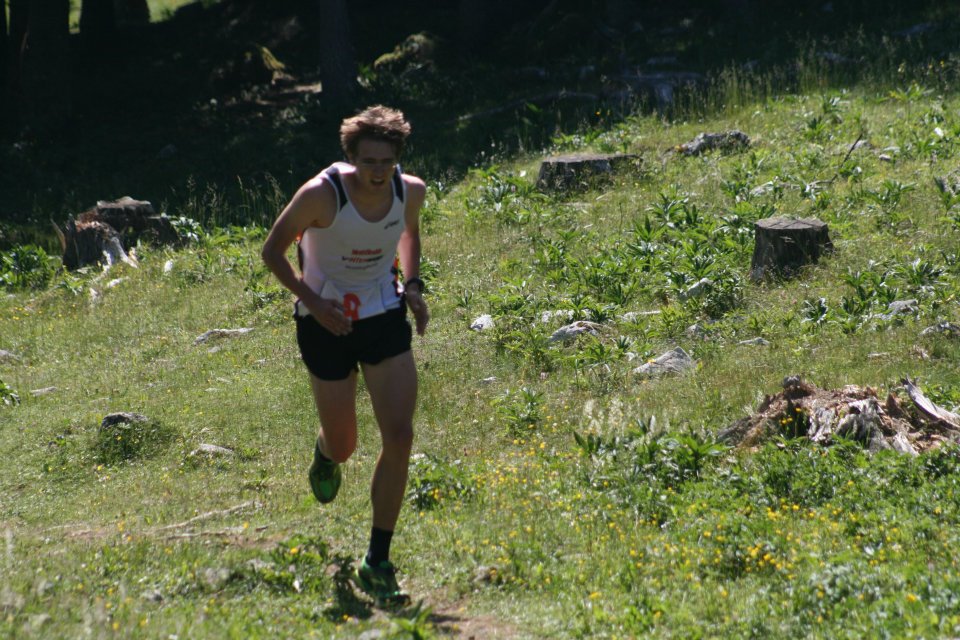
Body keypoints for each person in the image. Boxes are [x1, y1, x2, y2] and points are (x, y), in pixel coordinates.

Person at [261, 105, 428, 606]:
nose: (378, 172)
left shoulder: (410, 190)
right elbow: (272, 251)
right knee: (345, 443)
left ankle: (378, 559)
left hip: (382, 315)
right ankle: (326, 453)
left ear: (398, 158)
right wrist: (313, 302)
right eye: (368, 161)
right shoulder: (321, 194)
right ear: (351, 157)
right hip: (324, 322)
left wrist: (413, 286)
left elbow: (408, 233)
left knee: (400, 435)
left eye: (387, 161)